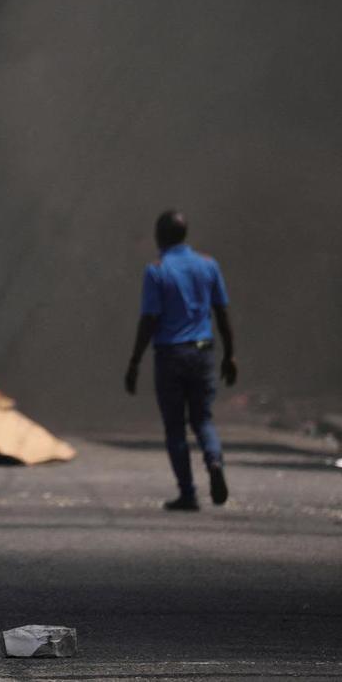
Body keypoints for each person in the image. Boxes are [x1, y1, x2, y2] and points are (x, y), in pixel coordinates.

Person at [124, 210, 237, 511]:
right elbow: (222, 312)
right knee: (203, 419)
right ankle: (214, 462)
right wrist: (230, 353)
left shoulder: (157, 270)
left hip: (170, 355)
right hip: (203, 352)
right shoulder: (208, 265)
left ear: (160, 237)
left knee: (175, 427)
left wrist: (135, 360)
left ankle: (188, 493)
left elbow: (149, 318)